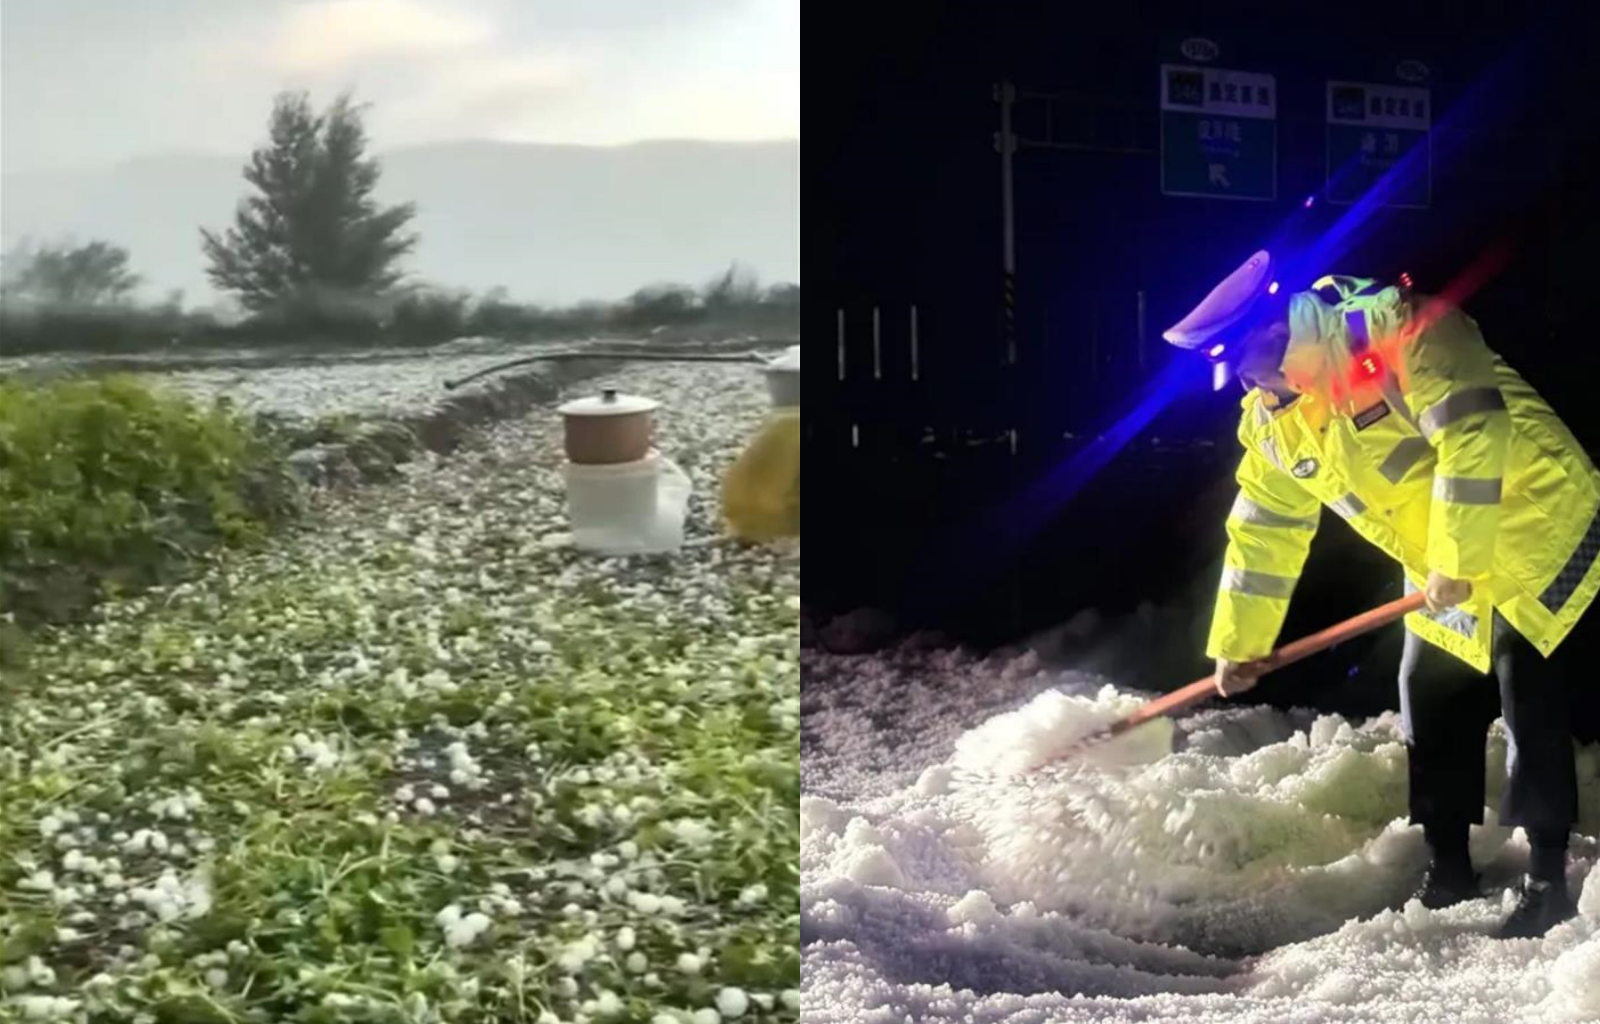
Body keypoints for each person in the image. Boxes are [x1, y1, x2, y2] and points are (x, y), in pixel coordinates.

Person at [1163, 250, 1597, 939]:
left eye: (1253, 367)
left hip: (1532, 523)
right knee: (1428, 688)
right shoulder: (1275, 416)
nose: (1253, 387)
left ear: (1277, 333)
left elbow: (1473, 433)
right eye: (1241, 377)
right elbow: (1265, 528)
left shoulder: (1402, 330)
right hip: (1444, 560)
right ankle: (1449, 864)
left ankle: (1548, 880)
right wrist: (1239, 646)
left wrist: (1458, 556)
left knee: (1528, 687)